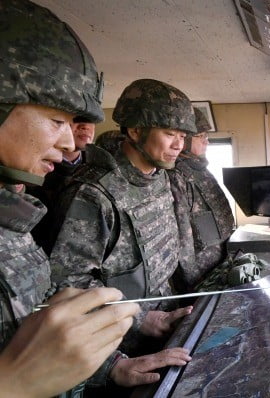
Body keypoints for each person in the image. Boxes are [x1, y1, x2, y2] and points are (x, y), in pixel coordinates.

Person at [0, 1, 140, 396]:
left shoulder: (13, 213)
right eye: (57, 121)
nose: (67, 143)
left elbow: (34, 312)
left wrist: (111, 367)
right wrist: (11, 383)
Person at [49, 79, 197, 392]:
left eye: (183, 136)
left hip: (163, 328)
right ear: (135, 131)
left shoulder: (161, 177)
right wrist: (141, 317)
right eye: (169, 133)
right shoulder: (93, 192)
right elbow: (67, 286)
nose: (179, 145)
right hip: (115, 353)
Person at [168, 107, 234, 290]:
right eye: (201, 136)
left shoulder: (199, 169)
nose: (207, 142)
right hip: (199, 275)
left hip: (217, 262)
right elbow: (182, 237)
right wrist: (193, 284)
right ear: (186, 138)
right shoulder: (176, 176)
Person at [28, 116, 97, 254]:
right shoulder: (31, 164)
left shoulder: (99, 167)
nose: (85, 126)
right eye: (77, 119)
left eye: (91, 120)